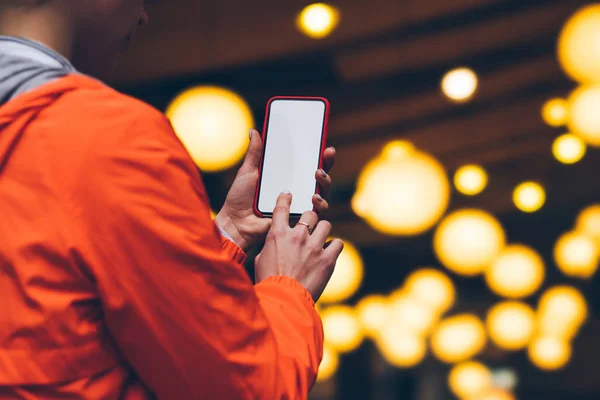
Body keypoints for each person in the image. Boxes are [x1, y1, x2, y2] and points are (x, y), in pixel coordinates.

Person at [0, 1, 344, 399]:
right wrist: (288, 288)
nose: (144, 16)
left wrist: (225, 235)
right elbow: (248, 388)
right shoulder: (112, 139)